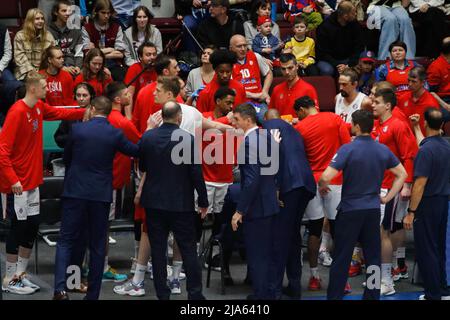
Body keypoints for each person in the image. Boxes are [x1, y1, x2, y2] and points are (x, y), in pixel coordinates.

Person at [0, 71, 85, 295]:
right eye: (45, 87)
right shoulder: (17, 112)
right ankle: (8, 278)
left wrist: (87, 112)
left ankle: (20, 275)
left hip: (34, 182)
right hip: (17, 184)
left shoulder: (39, 107)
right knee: (17, 229)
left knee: (32, 226)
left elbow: (58, 112)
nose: (48, 90)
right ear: (33, 88)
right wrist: (13, 180)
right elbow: (3, 151)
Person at [53, 95, 139, 300]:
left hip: (75, 191)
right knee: (97, 245)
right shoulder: (114, 133)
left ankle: (60, 289)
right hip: (100, 195)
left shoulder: (78, 130)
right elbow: (135, 150)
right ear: (108, 112)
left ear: (92, 109)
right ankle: (92, 295)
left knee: (66, 241)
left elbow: (67, 158)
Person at [320, 109, 407, 300]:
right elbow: (402, 174)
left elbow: (326, 176)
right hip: (373, 210)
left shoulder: (348, 149)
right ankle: (372, 296)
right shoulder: (382, 149)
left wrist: (322, 186)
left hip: (350, 210)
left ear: (357, 126)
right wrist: (388, 197)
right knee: (373, 258)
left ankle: (334, 297)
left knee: (341, 258)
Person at [138, 100, 208, 300]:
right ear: (180, 117)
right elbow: (196, 173)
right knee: (188, 250)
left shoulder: (148, 137)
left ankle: (162, 294)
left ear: (162, 115)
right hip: (181, 204)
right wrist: (203, 201)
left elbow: (143, 166)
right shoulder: (186, 139)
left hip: (154, 203)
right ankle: (195, 294)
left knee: (158, 251)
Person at [294, 95, 352, 292]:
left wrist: (317, 179)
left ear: (302, 110)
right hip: (335, 180)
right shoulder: (335, 119)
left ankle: (314, 277)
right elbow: (346, 149)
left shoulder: (300, 128)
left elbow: (299, 159)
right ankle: (341, 280)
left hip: (313, 182)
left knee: (314, 229)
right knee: (337, 230)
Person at [262, 110, 316, 299]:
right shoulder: (294, 130)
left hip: (288, 185)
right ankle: (294, 286)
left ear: (266, 119)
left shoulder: (267, 128)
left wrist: (275, 188)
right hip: (306, 184)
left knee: (280, 238)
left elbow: (274, 158)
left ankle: (274, 290)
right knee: (293, 235)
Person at [371, 87, 418, 296]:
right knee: (387, 231)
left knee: (383, 233)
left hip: (392, 186)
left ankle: (387, 281)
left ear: (387, 105)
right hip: (381, 184)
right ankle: (386, 275)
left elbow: (409, 155)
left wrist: (407, 184)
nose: (372, 104)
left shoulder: (398, 125)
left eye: (376, 102)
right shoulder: (379, 125)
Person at [231, 103, 279, 300]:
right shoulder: (266, 136)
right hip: (269, 202)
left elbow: (251, 180)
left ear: (248, 120)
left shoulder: (250, 142)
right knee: (267, 253)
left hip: (257, 207)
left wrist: (240, 211)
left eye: (237, 119)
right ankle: (269, 292)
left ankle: (261, 297)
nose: (233, 122)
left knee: (257, 254)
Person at [403, 108, 450, 300]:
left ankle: (432, 294)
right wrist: (415, 127)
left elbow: (420, 184)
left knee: (426, 249)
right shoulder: (446, 146)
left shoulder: (425, 151)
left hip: (427, 204)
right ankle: (443, 289)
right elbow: (424, 141)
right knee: (439, 247)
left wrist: (411, 212)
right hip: (444, 203)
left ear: (425, 123)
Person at [132, 54, 182, 134]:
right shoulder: (172, 94)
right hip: (165, 140)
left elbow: (135, 121)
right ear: (166, 72)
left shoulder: (142, 91)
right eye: (175, 67)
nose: (179, 69)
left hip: (146, 138)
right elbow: (182, 119)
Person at [81, 0, 129, 80]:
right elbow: (87, 54)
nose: (106, 16)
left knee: (122, 77)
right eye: (103, 13)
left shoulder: (116, 27)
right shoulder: (87, 28)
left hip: (113, 63)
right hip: (92, 65)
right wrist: (111, 49)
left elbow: (120, 53)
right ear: (96, 12)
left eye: (108, 13)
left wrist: (96, 51)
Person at [315, 0, 363, 76]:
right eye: (353, 13)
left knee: (364, 60)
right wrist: (339, 65)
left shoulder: (354, 23)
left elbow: (359, 45)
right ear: (345, 16)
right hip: (329, 59)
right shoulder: (325, 27)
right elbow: (322, 52)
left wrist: (349, 64)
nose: (356, 14)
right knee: (327, 70)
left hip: (348, 57)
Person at [269, 53, 319, 119]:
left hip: (301, 128)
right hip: (281, 128)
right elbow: (271, 114)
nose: (287, 72)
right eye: (283, 69)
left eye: (290, 68)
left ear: (297, 66)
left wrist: (295, 121)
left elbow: (315, 117)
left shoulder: (308, 89)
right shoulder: (276, 89)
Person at [230, 34, 272, 107]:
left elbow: (269, 73)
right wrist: (255, 95)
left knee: (269, 115)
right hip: (240, 102)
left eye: (245, 45)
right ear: (231, 48)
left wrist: (265, 92)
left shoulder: (255, 56)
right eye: (239, 46)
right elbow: (233, 89)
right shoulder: (228, 63)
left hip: (259, 101)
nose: (243, 49)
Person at [14, 8, 55, 80]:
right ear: (30, 21)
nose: (41, 21)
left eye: (42, 19)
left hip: (44, 71)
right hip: (25, 72)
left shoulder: (48, 36)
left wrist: (43, 72)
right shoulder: (20, 36)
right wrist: (34, 73)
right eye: (37, 19)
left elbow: (52, 55)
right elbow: (20, 58)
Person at [397, 66, 439, 136]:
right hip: (405, 139)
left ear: (423, 82)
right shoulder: (403, 98)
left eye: (414, 81)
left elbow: (433, 131)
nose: (410, 84)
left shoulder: (431, 103)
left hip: (423, 142)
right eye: (408, 80)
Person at [54, 82, 96, 147]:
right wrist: (74, 137)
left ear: (91, 96)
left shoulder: (97, 114)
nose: (81, 99)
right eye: (78, 95)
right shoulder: (70, 115)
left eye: (85, 95)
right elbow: (58, 139)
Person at [48, 0, 84, 77]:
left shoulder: (76, 30)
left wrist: (78, 67)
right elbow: (48, 55)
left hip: (74, 65)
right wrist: (62, 67)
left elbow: (79, 53)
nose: (67, 14)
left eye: (69, 11)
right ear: (56, 12)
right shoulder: (48, 31)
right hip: (55, 66)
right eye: (64, 11)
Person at [0, 24, 23, 117]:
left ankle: (9, 115)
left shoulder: (2, 28)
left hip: (2, 66)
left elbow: (8, 53)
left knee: (14, 85)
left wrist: (0, 68)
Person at [427, 37, 450, 122]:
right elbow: (431, 92)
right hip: (443, 100)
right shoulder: (436, 67)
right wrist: (446, 105)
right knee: (444, 115)